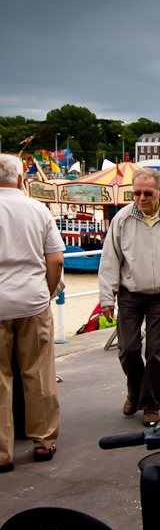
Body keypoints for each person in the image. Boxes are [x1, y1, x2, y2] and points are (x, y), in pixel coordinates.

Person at [0, 154, 64, 472]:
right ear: (20, 177)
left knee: (1, 378)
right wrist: (48, 292)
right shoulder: (38, 210)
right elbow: (55, 261)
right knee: (37, 372)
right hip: (32, 300)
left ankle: (2, 452)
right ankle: (43, 441)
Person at [99, 168, 160, 427]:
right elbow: (110, 259)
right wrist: (107, 298)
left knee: (156, 353)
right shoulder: (123, 219)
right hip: (130, 294)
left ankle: (150, 405)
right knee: (128, 349)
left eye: (147, 193)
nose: (141, 198)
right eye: (136, 193)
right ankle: (135, 392)